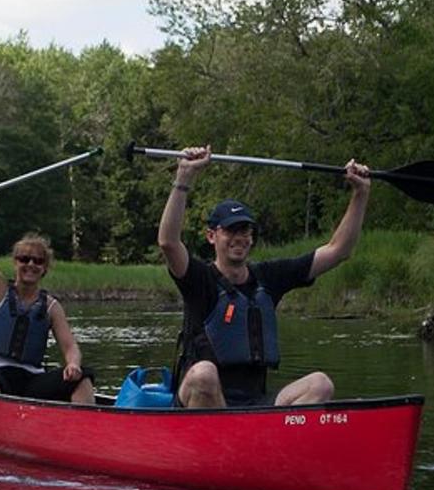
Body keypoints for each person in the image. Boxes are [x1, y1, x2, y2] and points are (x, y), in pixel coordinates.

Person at [157, 145, 371, 408]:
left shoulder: (268, 278)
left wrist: (360, 193)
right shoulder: (199, 279)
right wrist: (184, 176)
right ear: (212, 236)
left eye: (245, 231)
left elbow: (338, 251)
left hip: (256, 405)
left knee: (320, 384)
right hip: (201, 401)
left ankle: (270, 441)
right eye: (231, 231)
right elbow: (168, 242)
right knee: (204, 374)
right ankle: (223, 443)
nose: (240, 238)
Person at [0, 187, 95, 404]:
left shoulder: (51, 306)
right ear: (15, 263)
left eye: (38, 261)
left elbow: (70, 346)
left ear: (45, 268)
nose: (31, 264)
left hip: (32, 379)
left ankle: (86, 430)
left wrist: (73, 364)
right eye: (24, 259)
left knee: (84, 377)